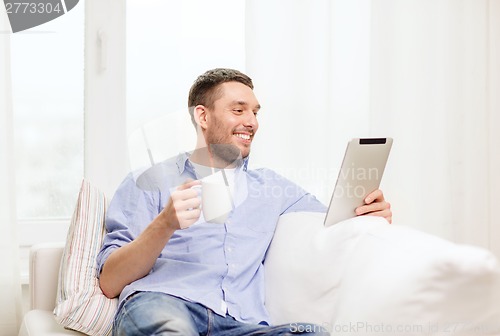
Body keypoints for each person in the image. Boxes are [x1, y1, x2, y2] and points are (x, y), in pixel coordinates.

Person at [96, 68, 392, 336]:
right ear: (203, 116)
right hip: (165, 304)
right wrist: (165, 224)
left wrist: (369, 212)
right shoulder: (149, 180)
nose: (251, 122)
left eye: (255, 112)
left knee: (313, 334)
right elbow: (110, 281)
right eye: (238, 110)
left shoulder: (272, 188)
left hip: (240, 325)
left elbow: (336, 220)